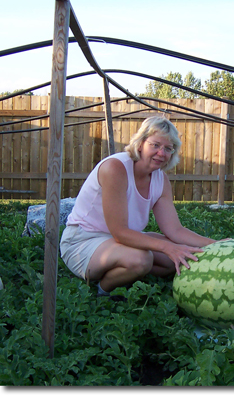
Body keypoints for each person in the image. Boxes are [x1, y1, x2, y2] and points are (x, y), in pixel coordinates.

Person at [60, 116, 218, 299]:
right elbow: (120, 232)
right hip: (83, 240)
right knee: (141, 259)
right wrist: (165, 247)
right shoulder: (115, 168)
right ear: (141, 143)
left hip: (119, 242)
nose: (161, 153)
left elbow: (175, 230)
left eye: (168, 148)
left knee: (171, 260)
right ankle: (104, 291)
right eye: (156, 145)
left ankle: (124, 272)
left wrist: (215, 245)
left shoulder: (161, 180)